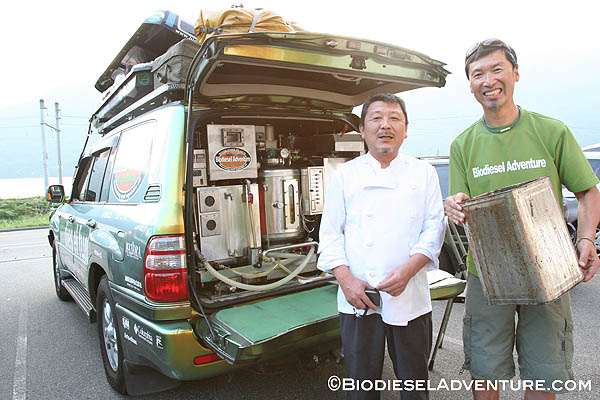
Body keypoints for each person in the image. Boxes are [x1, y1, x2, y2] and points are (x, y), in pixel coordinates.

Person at [445, 38, 600, 400]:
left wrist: (586, 239)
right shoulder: (462, 145)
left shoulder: (551, 131)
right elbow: (460, 202)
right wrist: (454, 205)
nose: (488, 81)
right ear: (470, 84)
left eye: (497, 69)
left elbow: (588, 192)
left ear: (515, 73)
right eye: (478, 74)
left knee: (545, 372)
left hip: (549, 272)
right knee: (485, 369)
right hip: (486, 274)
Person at [317, 93, 445, 400]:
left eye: (394, 118)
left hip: (409, 296)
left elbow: (434, 229)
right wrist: (346, 281)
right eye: (376, 118)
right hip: (359, 297)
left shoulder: (423, 172)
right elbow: (330, 235)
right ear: (362, 130)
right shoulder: (345, 175)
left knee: (414, 386)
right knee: (362, 388)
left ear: (406, 129)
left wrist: (408, 271)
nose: (385, 125)